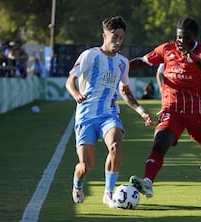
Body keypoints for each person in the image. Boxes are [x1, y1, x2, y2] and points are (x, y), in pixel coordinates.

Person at [128, 17, 201, 198]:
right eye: (179, 37)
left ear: (195, 36)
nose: (181, 42)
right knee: (160, 143)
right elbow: (142, 61)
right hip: (172, 111)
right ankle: (147, 182)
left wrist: (192, 56)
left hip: (197, 113)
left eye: (186, 38)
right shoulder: (166, 49)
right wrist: (122, 67)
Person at [65, 16, 153, 208]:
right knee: (86, 166)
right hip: (86, 117)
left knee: (115, 145)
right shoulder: (90, 55)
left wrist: (141, 110)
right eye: (114, 36)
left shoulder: (122, 63)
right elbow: (70, 80)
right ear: (104, 35)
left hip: (109, 115)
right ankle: (77, 184)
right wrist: (76, 94)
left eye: (121, 37)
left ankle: (108, 193)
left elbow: (125, 91)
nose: (118, 41)